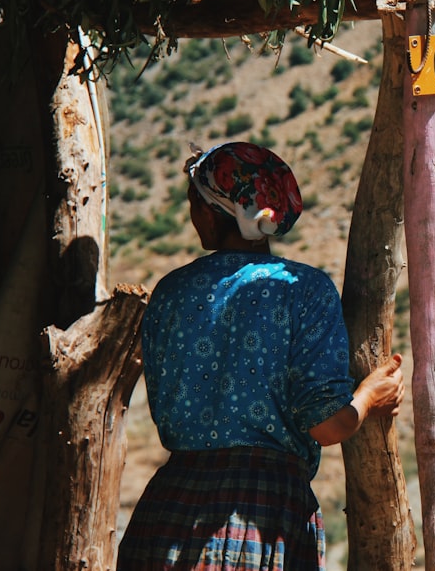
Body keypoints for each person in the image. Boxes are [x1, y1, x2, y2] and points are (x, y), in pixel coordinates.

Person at [118, 142, 405, 571]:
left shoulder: (171, 291)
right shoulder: (303, 290)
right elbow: (327, 426)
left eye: (196, 203)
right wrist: (369, 397)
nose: (192, 215)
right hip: (264, 515)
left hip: (168, 513)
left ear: (219, 210)